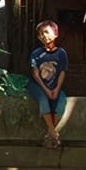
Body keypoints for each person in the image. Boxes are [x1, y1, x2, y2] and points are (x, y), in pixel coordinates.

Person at [27, 20, 68, 149]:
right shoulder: (36, 54)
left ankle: (49, 135)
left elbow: (62, 73)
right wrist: (45, 89)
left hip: (55, 86)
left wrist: (56, 89)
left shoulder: (61, 53)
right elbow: (35, 74)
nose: (44, 36)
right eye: (40, 34)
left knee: (61, 102)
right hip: (37, 86)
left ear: (55, 34)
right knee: (43, 101)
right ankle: (54, 134)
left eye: (46, 32)